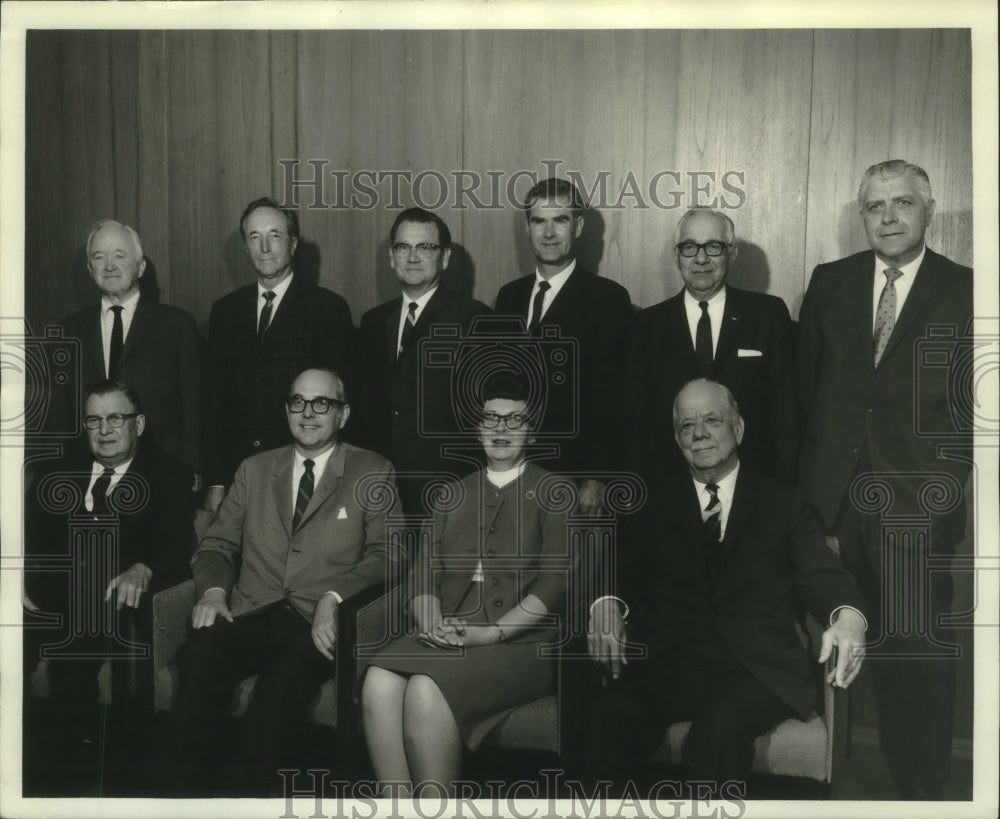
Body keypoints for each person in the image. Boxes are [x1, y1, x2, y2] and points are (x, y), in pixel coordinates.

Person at [589, 379, 866, 796]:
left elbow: (821, 573)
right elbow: (623, 570)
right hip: (675, 661)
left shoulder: (782, 502)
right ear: (676, 439)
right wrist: (607, 602)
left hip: (755, 669)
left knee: (718, 730)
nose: (699, 433)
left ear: (738, 429)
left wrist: (848, 617)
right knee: (610, 715)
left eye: (712, 421)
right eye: (687, 426)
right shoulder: (655, 503)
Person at [797, 159, 974, 800]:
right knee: (821, 648)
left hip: (914, 514)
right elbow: (805, 392)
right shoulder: (832, 282)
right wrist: (806, 503)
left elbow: (972, 416)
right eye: (876, 206)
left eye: (903, 203)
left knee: (915, 668)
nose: (890, 216)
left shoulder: (967, 288)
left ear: (929, 210)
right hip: (830, 509)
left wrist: (938, 501)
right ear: (863, 214)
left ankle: (921, 797)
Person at [174, 367, 399, 796]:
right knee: (198, 655)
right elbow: (215, 545)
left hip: (316, 623)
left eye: (322, 404)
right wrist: (215, 591)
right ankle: (193, 793)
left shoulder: (373, 469)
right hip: (251, 612)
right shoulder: (255, 468)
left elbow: (390, 554)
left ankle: (243, 795)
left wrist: (336, 598)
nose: (308, 413)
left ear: (343, 414)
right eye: (298, 402)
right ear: (287, 410)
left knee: (282, 684)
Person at [361, 370, 569, 796]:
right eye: (491, 419)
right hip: (451, 631)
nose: (501, 429)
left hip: (521, 642)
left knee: (424, 688)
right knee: (378, 681)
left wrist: (490, 634)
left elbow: (553, 585)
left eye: (515, 420)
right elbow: (422, 574)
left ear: (531, 431)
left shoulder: (555, 491)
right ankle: (396, 806)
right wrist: (432, 622)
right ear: (478, 429)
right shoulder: (450, 495)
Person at [24, 380, 195, 747]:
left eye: (116, 418)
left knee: (74, 652)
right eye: (93, 420)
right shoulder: (59, 469)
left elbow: (177, 543)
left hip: (109, 601)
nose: (104, 430)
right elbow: (29, 535)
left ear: (140, 424)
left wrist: (142, 568)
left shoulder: (168, 475)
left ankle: (67, 758)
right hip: (48, 595)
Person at [201, 197, 355, 513]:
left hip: (301, 473)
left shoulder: (327, 308)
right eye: (254, 237)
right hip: (238, 476)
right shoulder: (225, 311)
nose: (265, 247)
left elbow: (335, 406)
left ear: (293, 243)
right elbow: (215, 403)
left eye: (274, 235)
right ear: (246, 247)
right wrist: (216, 481)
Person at [624, 208, 797, 481]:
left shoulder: (768, 315)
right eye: (689, 247)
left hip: (754, 485)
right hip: (669, 488)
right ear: (676, 255)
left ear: (732, 252)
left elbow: (787, 413)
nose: (701, 258)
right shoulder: (647, 325)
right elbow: (636, 422)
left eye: (713, 247)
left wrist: (786, 487)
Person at [494, 177, 633, 515]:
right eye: (539, 221)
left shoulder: (608, 299)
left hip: (575, 474)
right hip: (514, 470)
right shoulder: (509, 296)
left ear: (579, 226)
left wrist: (597, 477)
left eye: (560, 220)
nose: (549, 232)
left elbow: (616, 397)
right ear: (527, 227)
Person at [356, 207, 491, 516]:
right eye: (403, 247)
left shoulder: (474, 318)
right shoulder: (373, 322)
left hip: (451, 492)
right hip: (382, 492)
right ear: (391, 257)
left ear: (444, 258)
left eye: (425, 247)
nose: (412, 257)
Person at [59, 220, 202, 479]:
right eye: (99, 257)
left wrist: (193, 472)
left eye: (119, 255)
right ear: (90, 269)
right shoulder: (69, 330)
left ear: (141, 266)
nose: (110, 266)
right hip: (86, 479)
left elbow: (195, 409)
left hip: (162, 476)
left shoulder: (176, 325)